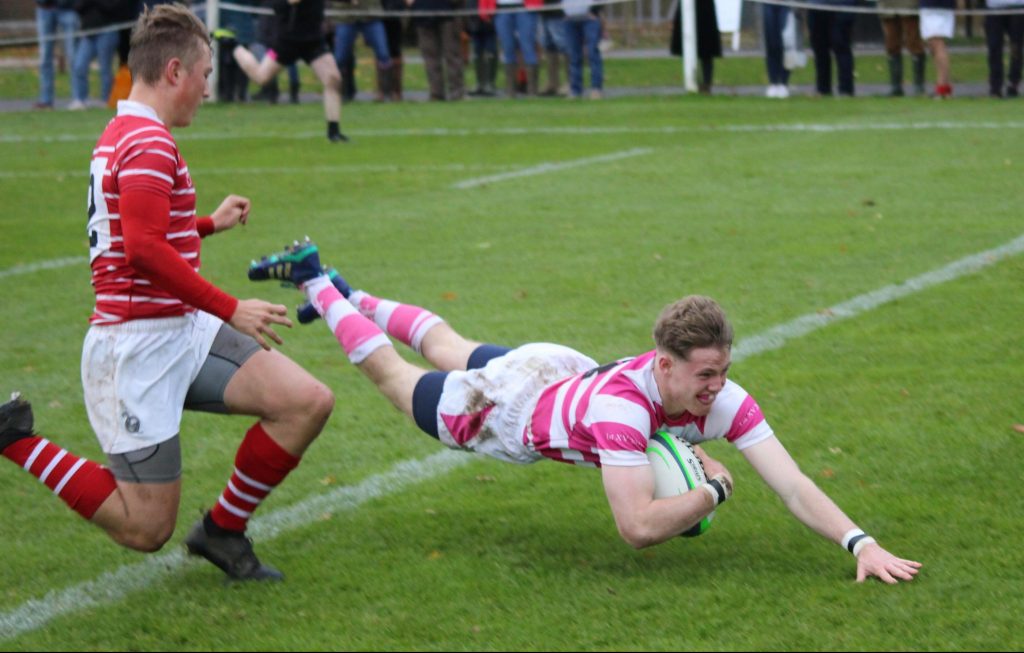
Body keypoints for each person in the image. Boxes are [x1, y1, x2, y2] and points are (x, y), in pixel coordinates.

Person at [245, 239, 923, 584]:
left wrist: (860, 543)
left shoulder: (721, 396)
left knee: (450, 344)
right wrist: (713, 487)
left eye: (723, 370)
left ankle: (347, 289)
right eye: (704, 374)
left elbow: (795, 483)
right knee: (397, 378)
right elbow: (635, 526)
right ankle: (316, 279)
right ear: (665, 364)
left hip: (559, 368)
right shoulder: (625, 412)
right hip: (510, 410)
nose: (717, 386)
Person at [0, 5, 334, 582]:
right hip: (137, 348)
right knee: (145, 529)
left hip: (181, 330)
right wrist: (232, 307)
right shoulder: (147, 144)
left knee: (306, 402)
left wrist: (206, 224)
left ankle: (222, 532)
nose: (207, 91)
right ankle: (13, 439)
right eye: (205, 76)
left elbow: (134, 231)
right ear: (175, 71)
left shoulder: (130, 131)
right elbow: (143, 250)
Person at [219, 0, 348, 141]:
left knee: (333, 79)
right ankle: (232, 45)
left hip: (313, 40)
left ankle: (333, 131)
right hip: (287, 40)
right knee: (261, 77)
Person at [69, 0, 132, 109]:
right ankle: (80, 99)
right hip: (88, 31)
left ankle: (105, 99)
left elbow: (114, 7)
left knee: (105, 68)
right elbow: (78, 7)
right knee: (79, 65)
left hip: (107, 30)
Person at [332, 0, 393, 102]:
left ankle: (385, 94)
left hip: (371, 16)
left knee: (383, 55)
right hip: (346, 18)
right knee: (340, 58)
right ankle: (343, 93)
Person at [407, 0, 465, 101]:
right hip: (423, 12)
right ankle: (436, 93)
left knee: (452, 54)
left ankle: (457, 92)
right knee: (430, 56)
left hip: (448, 13)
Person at [34, 0, 80, 109]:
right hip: (44, 9)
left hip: (68, 9)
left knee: (73, 55)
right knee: (45, 57)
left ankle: (79, 99)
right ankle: (46, 100)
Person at [806, 0, 857, 96]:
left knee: (841, 46)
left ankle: (845, 89)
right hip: (816, 7)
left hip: (842, 8)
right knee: (820, 48)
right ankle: (822, 89)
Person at [669, 0, 721, 95]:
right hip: (689, 7)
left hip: (705, 9)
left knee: (707, 48)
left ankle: (706, 84)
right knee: (690, 48)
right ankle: (695, 81)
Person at [877, 0, 926, 96]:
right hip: (887, 6)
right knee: (891, 44)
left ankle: (919, 86)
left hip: (909, 5)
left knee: (914, 43)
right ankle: (896, 87)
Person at [563, 0, 604, 99]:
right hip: (570, 19)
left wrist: (594, 11)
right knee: (574, 56)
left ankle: (596, 88)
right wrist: (563, 12)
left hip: (590, 19)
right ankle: (575, 90)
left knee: (592, 53)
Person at [983, 0, 1024, 97]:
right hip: (994, 7)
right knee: (994, 46)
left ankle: (1014, 82)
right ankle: (995, 86)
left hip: (1017, 7)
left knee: (1016, 47)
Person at [919, 0, 954, 97]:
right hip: (930, 6)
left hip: (936, 7)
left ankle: (943, 87)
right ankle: (942, 84)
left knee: (937, 43)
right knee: (933, 44)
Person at [761, 1, 792, 98]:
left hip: (786, 4)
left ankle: (783, 82)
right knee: (771, 42)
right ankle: (773, 81)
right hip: (769, 3)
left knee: (785, 43)